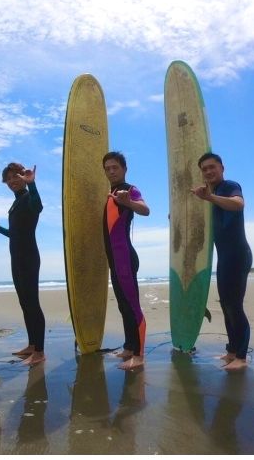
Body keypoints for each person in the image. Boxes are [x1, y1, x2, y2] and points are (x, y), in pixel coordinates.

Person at [190, 152, 253, 372]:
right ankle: (232, 351)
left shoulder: (229, 186)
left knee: (234, 306)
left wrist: (209, 197)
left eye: (212, 167)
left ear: (221, 168)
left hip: (237, 255)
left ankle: (242, 356)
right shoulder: (213, 195)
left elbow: (238, 204)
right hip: (224, 258)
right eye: (204, 169)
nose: (208, 171)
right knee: (226, 306)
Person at [0, 163, 46, 366]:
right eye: (8, 179)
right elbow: (15, 234)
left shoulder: (27, 198)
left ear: (23, 177)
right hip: (17, 256)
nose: (12, 181)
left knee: (32, 303)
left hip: (29, 256)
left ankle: (40, 352)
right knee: (24, 303)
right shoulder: (15, 204)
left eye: (16, 177)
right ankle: (32, 345)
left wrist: (32, 185)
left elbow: (38, 206)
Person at [102, 151, 150, 370]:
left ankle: (139, 354)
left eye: (115, 167)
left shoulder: (129, 190)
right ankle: (130, 346)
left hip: (125, 258)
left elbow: (145, 210)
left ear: (124, 169)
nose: (111, 171)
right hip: (114, 259)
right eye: (108, 168)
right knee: (123, 305)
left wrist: (129, 202)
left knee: (132, 304)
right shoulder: (110, 192)